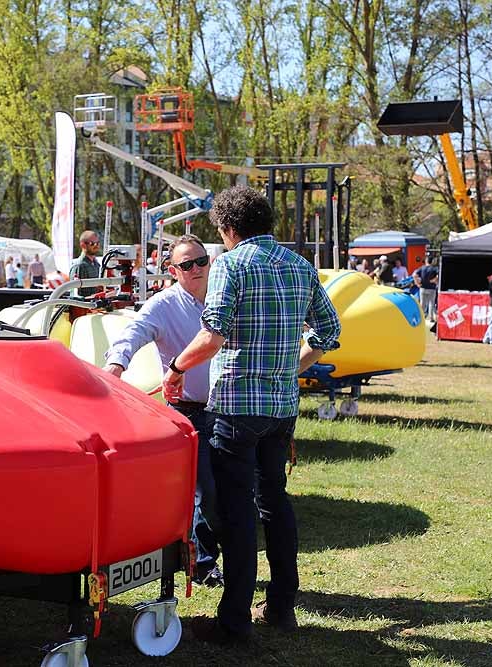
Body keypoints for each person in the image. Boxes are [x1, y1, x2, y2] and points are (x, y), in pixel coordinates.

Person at [161, 186, 341, 642]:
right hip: (281, 409)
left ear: (227, 228)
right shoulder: (300, 266)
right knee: (275, 504)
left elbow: (214, 331)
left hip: (237, 407)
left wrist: (177, 367)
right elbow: (329, 331)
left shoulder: (231, 264)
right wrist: (290, 367)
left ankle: (234, 620)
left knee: (237, 513)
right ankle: (281, 607)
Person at [103, 234, 223, 587]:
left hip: (227, 407)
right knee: (206, 490)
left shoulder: (222, 296)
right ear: (173, 270)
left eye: (201, 261)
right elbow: (133, 333)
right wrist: (116, 365)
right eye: (187, 265)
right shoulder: (162, 305)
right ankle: (201, 562)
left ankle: (205, 558)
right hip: (187, 411)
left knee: (225, 489)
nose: (196, 269)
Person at [69, 230, 102, 296]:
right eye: (92, 243)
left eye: (97, 243)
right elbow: (78, 293)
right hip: (84, 305)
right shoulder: (79, 265)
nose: (96, 245)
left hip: (96, 304)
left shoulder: (96, 264)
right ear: (83, 245)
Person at [414, 256, 438, 321]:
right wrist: (433, 280)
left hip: (422, 288)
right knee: (431, 303)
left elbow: (414, 275)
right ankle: (431, 318)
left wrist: (417, 283)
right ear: (432, 261)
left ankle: (421, 318)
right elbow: (438, 275)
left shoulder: (422, 268)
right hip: (431, 288)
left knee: (422, 303)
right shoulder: (434, 268)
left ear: (426, 261)